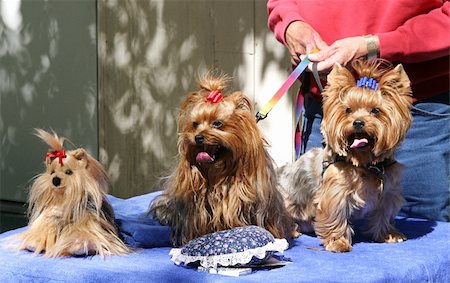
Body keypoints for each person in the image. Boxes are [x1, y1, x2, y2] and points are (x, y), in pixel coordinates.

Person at [267, 0, 450, 222]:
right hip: (327, 109)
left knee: (422, 243)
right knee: (314, 237)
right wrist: (290, 23)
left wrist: (376, 45)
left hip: (418, 116)